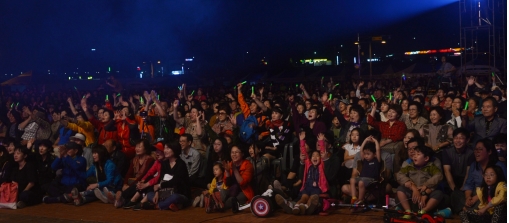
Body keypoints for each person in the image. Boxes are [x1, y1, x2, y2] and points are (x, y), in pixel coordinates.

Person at [396, 145, 444, 218]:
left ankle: (424, 210)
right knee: (400, 189)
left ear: (426, 158)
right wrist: (413, 187)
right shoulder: (409, 166)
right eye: (414, 154)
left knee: (439, 193)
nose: (415, 156)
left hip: (426, 192)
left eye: (418, 154)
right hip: (413, 192)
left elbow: (439, 176)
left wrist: (426, 185)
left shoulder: (431, 167)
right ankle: (408, 211)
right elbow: (399, 175)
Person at [461, 138, 506, 212]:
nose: (476, 152)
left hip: (490, 195)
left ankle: (467, 211)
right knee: (455, 195)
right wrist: (468, 197)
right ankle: (468, 210)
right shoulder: (474, 165)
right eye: (475, 149)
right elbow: (469, 184)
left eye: (480, 149)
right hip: (474, 194)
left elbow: (502, 187)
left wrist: (477, 197)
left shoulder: (499, 166)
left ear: (489, 151)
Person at [145, 141, 190, 211]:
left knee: (175, 197)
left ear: (175, 149)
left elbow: (176, 181)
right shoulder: (164, 164)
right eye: (165, 148)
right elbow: (160, 179)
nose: (165, 150)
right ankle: (169, 205)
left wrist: (160, 186)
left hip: (179, 193)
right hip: (165, 193)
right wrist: (157, 192)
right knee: (150, 194)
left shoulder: (181, 164)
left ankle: (157, 206)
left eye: (168, 148)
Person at [123, 142, 165, 210]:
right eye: (156, 150)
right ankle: (131, 198)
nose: (157, 153)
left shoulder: (151, 159)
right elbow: (149, 172)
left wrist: (145, 184)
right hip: (144, 183)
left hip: (161, 184)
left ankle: (137, 200)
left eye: (160, 151)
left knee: (149, 181)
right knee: (146, 179)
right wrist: (142, 181)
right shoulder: (157, 161)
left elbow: (159, 177)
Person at [442, 128, 474, 214]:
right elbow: (447, 171)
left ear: (467, 140)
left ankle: (463, 210)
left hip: (466, 180)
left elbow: (468, 173)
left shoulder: (471, 153)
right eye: (456, 138)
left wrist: (463, 188)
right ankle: (464, 210)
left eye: (461, 138)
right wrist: (454, 189)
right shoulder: (447, 152)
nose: (458, 140)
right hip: (451, 180)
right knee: (451, 194)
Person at [116, 139, 154, 208]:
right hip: (133, 183)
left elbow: (144, 175)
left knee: (137, 185)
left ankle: (119, 198)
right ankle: (120, 199)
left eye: (139, 147)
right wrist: (125, 184)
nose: (137, 149)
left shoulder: (150, 160)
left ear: (145, 149)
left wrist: (129, 186)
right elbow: (129, 174)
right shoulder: (134, 159)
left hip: (142, 182)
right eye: (136, 147)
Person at [348, 136, 381, 210]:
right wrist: (365, 140)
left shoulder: (376, 160)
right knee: (352, 180)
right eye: (365, 154)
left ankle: (360, 200)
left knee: (361, 182)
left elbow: (378, 150)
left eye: (368, 154)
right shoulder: (365, 160)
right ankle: (353, 198)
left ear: (374, 154)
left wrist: (375, 141)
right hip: (362, 178)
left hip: (371, 179)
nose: (366, 156)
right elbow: (361, 150)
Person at [222, 145, 254, 212]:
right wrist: (227, 171)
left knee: (232, 200)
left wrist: (235, 170)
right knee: (222, 192)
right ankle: (218, 204)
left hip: (243, 191)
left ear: (242, 154)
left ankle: (219, 205)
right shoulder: (230, 164)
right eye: (232, 152)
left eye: (236, 152)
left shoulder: (248, 165)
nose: (234, 154)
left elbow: (243, 183)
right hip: (232, 190)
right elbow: (227, 183)